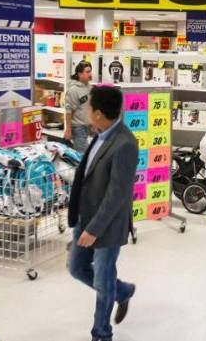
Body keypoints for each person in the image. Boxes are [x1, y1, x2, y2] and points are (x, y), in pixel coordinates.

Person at [68, 86, 137, 341]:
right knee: (77, 268)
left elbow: (117, 194)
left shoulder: (125, 143)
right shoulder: (100, 134)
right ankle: (122, 291)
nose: (86, 110)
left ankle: (101, 333)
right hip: (85, 216)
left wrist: (94, 229)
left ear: (97, 113)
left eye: (89, 107)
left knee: (103, 277)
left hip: (107, 224)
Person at [65, 61, 94, 153]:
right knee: (82, 155)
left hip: (88, 126)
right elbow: (69, 111)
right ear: (80, 74)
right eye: (87, 72)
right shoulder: (73, 90)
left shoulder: (89, 87)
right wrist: (68, 130)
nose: (90, 74)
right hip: (78, 127)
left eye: (90, 71)